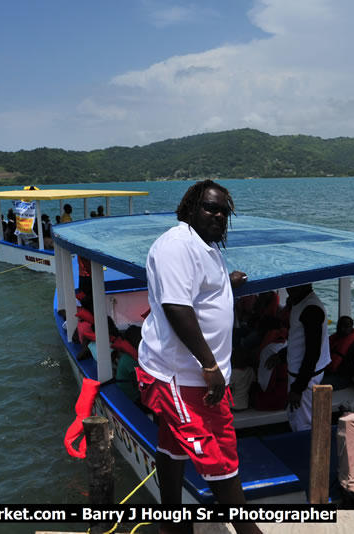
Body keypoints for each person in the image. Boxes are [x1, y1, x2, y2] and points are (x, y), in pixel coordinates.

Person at [136, 180, 258, 534]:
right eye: (210, 207)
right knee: (216, 453)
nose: (219, 215)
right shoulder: (177, 245)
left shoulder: (207, 248)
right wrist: (210, 365)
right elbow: (177, 307)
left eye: (224, 211)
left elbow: (200, 292)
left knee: (173, 445)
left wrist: (226, 282)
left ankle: (171, 524)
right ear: (190, 209)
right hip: (180, 374)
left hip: (196, 375)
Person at [284, 284, 331, 432]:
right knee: (297, 418)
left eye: (293, 286)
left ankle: (304, 452)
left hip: (305, 378)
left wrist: (298, 388)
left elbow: (312, 352)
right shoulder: (301, 303)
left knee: (302, 423)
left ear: (306, 285)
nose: (289, 289)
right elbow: (299, 341)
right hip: (302, 375)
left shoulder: (311, 309)